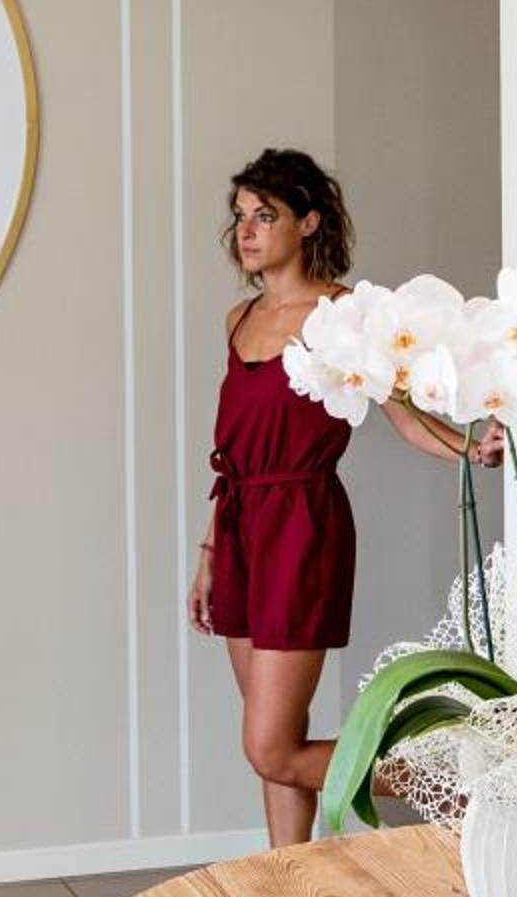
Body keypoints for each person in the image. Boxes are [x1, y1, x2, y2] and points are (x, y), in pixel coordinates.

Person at [190, 148, 499, 848]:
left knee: (270, 746)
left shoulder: (345, 314)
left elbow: (404, 417)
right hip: (238, 524)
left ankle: (457, 788)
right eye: (240, 216)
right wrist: (209, 551)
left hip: (301, 525)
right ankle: (288, 878)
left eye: (264, 215)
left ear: (308, 221)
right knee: (278, 742)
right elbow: (233, 452)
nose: (246, 231)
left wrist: (469, 447)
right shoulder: (238, 318)